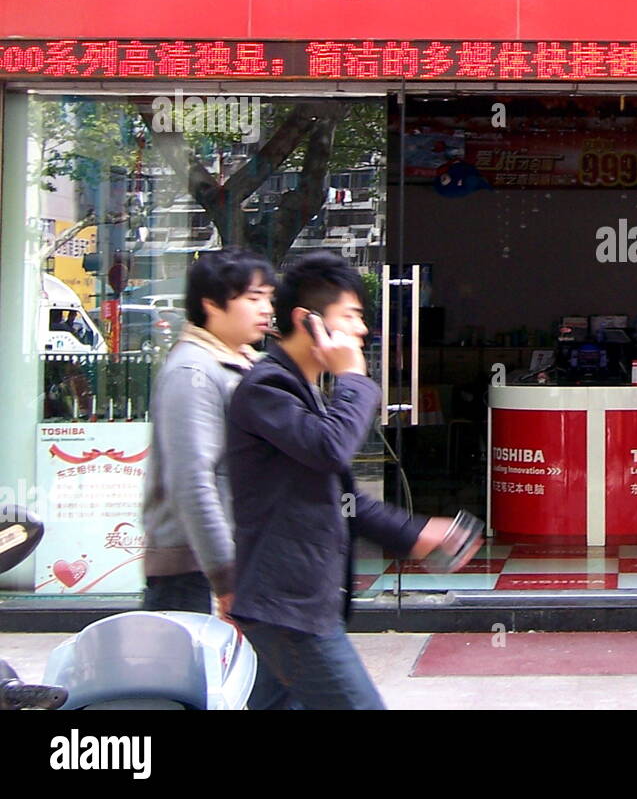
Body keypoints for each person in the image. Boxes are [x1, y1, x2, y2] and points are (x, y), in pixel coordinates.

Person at [226, 251, 480, 710]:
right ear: (309, 322)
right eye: (352, 316)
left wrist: (413, 531)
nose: (362, 330)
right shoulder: (266, 389)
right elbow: (330, 449)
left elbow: (344, 498)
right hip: (290, 607)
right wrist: (355, 378)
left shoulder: (303, 393)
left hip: (295, 603)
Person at [141, 247, 274, 617]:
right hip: (193, 573)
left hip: (232, 562)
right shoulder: (194, 371)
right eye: (253, 298)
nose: (265, 309)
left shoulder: (240, 362)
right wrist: (226, 579)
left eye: (268, 298)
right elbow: (193, 480)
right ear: (212, 304)